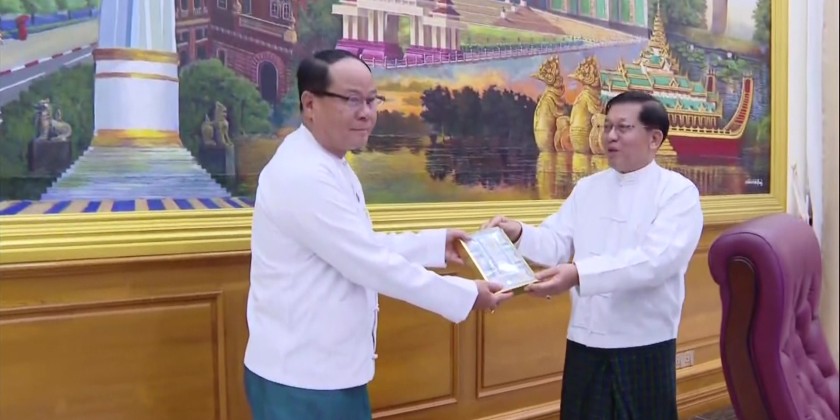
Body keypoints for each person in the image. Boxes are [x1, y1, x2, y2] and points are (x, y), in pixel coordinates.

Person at [244, 49, 513, 420]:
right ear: (310, 104)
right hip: (302, 379)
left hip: (327, 371)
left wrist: (435, 245)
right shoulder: (302, 174)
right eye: (352, 100)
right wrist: (465, 295)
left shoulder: (328, 161)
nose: (367, 113)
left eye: (372, 100)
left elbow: (359, 246)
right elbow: (368, 263)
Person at [483, 91, 704, 419]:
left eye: (623, 127)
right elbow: (556, 242)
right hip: (585, 338)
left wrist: (579, 274)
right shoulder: (587, 188)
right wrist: (517, 232)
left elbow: (656, 261)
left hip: (644, 342)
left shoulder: (678, 193)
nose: (610, 135)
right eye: (606, 126)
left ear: (654, 138)